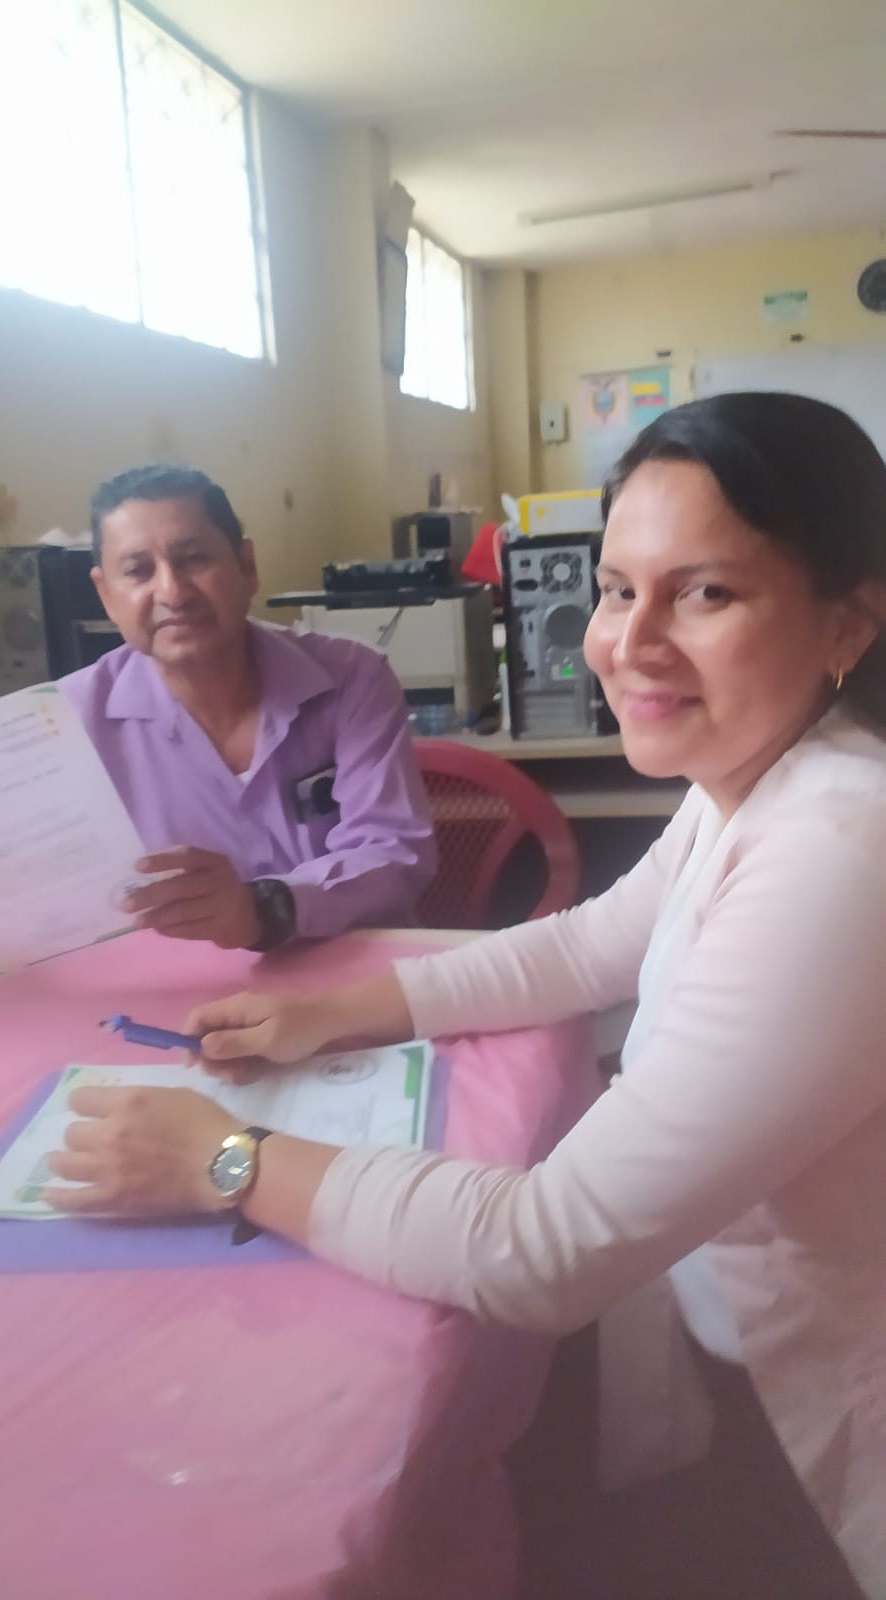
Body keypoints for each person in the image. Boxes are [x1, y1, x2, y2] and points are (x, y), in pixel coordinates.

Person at [47, 397, 886, 1595]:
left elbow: (544, 1247)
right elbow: (591, 942)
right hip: (724, 1328)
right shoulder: (759, 779)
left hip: (806, 1419)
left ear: (846, 621)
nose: (627, 642)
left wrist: (223, 1160)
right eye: (615, 589)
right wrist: (331, 1011)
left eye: (704, 593)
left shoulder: (835, 850)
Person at [60, 464, 435, 951]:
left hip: (360, 972)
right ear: (106, 595)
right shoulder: (64, 726)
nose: (172, 592)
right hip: (181, 986)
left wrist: (264, 909)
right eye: (138, 571)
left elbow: (393, 850)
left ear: (247, 566)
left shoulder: (352, 677)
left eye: (194, 559)